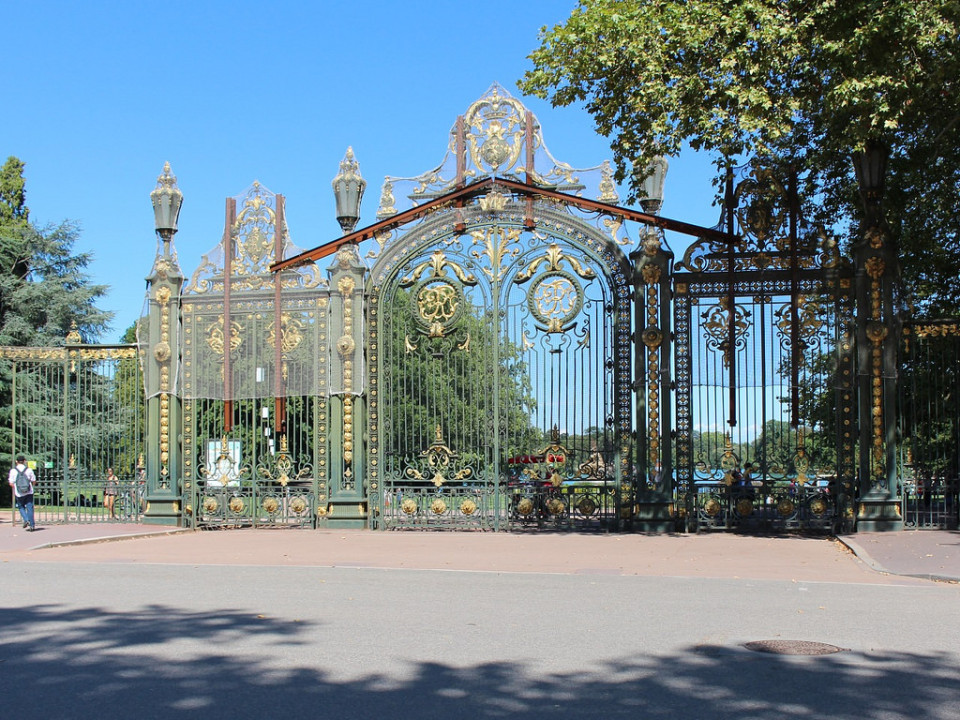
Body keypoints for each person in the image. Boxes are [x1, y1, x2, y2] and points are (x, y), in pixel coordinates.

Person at [8, 454, 37, 531]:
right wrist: (31, 486)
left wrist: (16, 488)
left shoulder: (13, 471)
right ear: (24, 461)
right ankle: (32, 525)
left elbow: (11, 483)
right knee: (30, 507)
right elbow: (34, 480)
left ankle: (26, 519)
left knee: (21, 507)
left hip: (19, 493)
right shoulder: (29, 470)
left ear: (16, 461)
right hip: (29, 492)